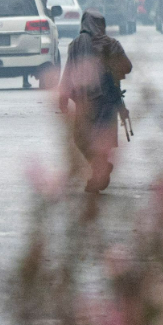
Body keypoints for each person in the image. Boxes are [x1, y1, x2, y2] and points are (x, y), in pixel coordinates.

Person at [58, 10, 132, 193]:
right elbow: (127, 67)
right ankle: (101, 170)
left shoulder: (75, 45)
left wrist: (63, 96)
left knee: (82, 139)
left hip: (86, 102)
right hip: (107, 102)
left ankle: (97, 176)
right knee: (98, 141)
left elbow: (68, 72)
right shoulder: (111, 44)